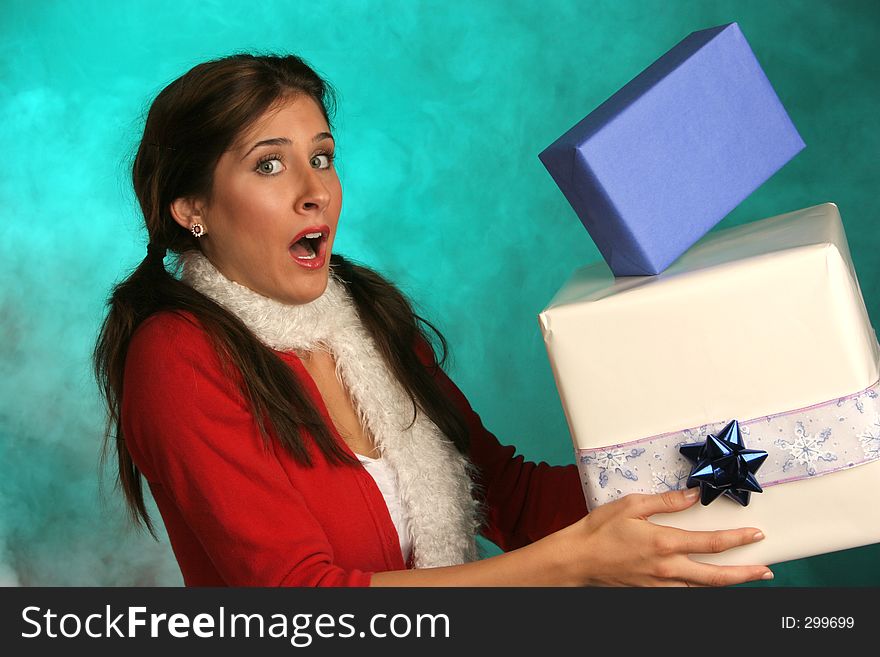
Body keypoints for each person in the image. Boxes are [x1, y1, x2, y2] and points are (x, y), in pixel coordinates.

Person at [93, 53, 773, 587]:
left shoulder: (366, 314)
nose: (314, 190)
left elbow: (509, 496)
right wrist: (576, 564)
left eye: (321, 157)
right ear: (192, 208)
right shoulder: (175, 355)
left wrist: (709, 457)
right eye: (269, 164)